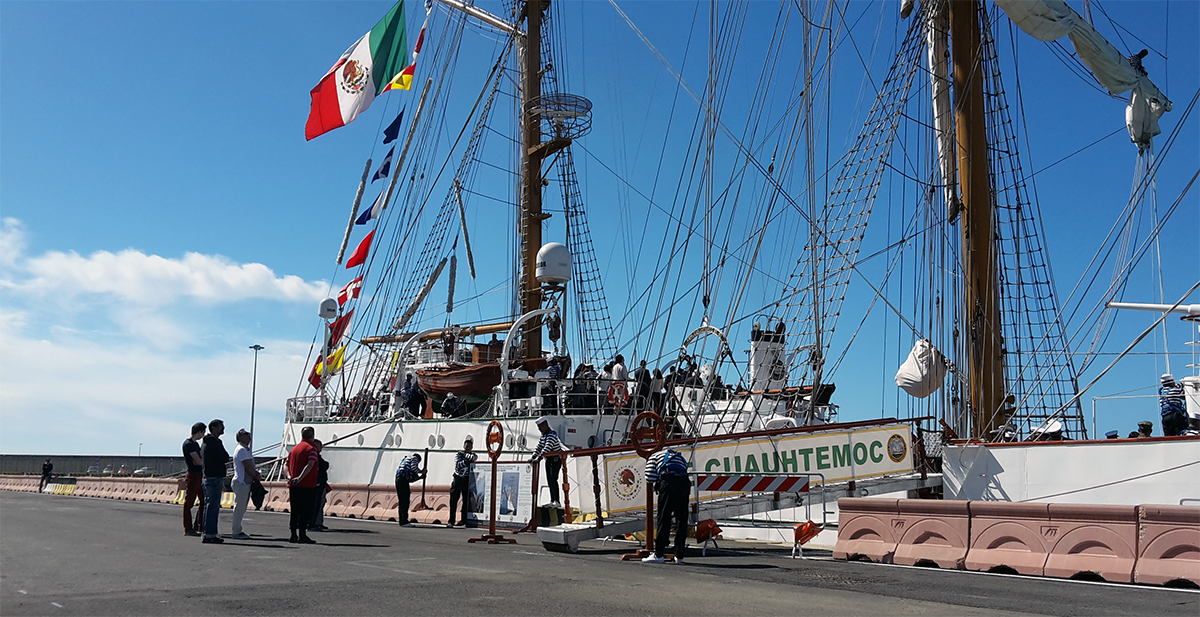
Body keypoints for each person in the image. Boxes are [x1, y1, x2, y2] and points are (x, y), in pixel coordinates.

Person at [641, 448, 691, 564]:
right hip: (684, 484)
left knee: (664, 518)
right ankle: (679, 556)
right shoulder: (680, 457)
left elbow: (649, 477)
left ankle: (659, 554)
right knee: (681, 520)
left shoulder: (654, 457)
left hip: (668, 484)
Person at [287, 426, 319, 544]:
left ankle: (293, 534)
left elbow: (286, 464)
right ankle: (302, 534)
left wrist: (290, 477)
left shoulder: (294, 449)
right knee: (305, 510)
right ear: (312, 436)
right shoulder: (312, 449)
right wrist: (300, 478)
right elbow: (310, 464)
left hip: (293, 485)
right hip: (307, 484)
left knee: (295, 510)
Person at [200, 419, 230, 544]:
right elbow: (225, 457)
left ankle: (206, 532)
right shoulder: (215, 442)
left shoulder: (205, 443)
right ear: (214, 428)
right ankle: (210, 534)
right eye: (221, 427)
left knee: (208, 506)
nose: (223, 429)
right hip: (214, 477)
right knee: (213, 507)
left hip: (207, 477)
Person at [230, 429, 262, 540]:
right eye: (246, 435)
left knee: (241, 508)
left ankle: (237, 529)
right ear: (241, 437)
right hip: (242, 482)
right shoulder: (242, 450)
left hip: (245, 482)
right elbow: (247, 466)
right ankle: (236, 531)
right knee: (239, 507)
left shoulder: (246, 450)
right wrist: (255, 475)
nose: (249, 437)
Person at [530, 417, 566, 507]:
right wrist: (533, 456)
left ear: (545, 425)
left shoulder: (551, 435)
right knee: (549, 480)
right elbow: (540, 447)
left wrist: (539, 458)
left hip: (555, 460)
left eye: (540, 427)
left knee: (553, 479)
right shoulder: (544, 435)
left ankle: (557, 501)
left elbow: (547, 448)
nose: (539, 429)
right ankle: (552, 500)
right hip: (548, 460)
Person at [181, 422, 206, 536]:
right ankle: (188, 527)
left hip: (199, 474)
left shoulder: (194, 444)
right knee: (189, 502)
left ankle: (200, 525)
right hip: (193, 474)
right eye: (203, 432)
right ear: (199, 432)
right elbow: (198, 461)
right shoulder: (188, 444)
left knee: (204, 500)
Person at [448, 436, 477, 528]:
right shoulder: (459, 454)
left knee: (466, 500)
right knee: (453, 500)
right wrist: (466, 461)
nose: (468, 448)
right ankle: (451, 521)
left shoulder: (471, 455)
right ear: (464, 446)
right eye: (466, 446)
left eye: (469, 446)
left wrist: (467, 459)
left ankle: (464, 520)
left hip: (466, 480)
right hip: (457, 479)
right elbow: (458, 465)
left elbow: (474, 458)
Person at [395, 453, 424, 527]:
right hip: (403, 479)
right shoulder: (414, 458)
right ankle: (404, 521)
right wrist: (421, 471)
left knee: (402, 501)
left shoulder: (405, 461)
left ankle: (402, 520)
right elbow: (414, 468)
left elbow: (410, 478)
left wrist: (420, 477)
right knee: (405, 500)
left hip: (399, 479)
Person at [309, 440, 330, 532]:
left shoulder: (316, 456)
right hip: (317, 483)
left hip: (318, 482)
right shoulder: (315, 456)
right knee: (317, 503)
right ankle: (314, 522)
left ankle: (317, 522)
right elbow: (323, 465)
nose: (321, 448)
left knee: (320, 502)